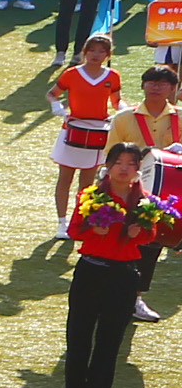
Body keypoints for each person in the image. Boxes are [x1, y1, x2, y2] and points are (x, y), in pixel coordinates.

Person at [65, 140, 158, 388]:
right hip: (91, 269)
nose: (124, 169)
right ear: (108, 166)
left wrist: (138, 233)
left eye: (131, 164)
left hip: (125, 275)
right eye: (119, 163)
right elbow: (74, 230)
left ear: (138, 169)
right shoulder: (91, 195)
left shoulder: (144, 201)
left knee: (112, 334)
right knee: (80, 330)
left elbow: (151, 235)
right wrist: (95, 231)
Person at [51, 32, 128, 236]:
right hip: (73, 130)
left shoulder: (113, 76)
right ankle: (61, 222)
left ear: (108, 54)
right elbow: (52, 93)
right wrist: (56, 105)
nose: (96, 55)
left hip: (97, 133)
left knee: (87, 182)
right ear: (85, 52)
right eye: (92, 50)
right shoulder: (72, 74)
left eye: (101, 51)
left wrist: (123, 110)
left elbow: (116, 101)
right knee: (65, 178)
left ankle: (80, 219)